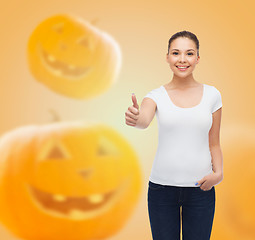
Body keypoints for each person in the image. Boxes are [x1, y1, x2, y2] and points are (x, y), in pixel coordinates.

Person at [125, 30, 223, 240]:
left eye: (189, 53)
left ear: (197, 58)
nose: (182, 59)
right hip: (161, 191)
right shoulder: (155, 96)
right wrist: (136, 118)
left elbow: (214, 142)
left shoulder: (213, 95)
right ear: (167, 57)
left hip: (201, 190)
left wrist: (219, 173)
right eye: (176, 53)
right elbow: (143, 120)